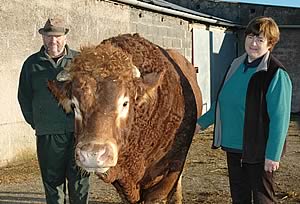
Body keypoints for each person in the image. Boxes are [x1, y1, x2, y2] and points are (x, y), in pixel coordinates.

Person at [195, 16, 292, 203]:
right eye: (250, 37)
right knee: (239, 198)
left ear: (270, 44)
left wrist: (272, 155)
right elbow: (222, 102)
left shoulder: (275, 73)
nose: (253, 43)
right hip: (233, 147)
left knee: (262, 199)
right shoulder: (236, 65)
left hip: (259, 150)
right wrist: (200, 123)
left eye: (260, 39)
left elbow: (280, 118)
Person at [17, 15, 90, 204]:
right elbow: (24, 97)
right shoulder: (31, 64)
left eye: (57, 36)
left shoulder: (80, 62)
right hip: (48, 134)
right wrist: (39, 122)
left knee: (79, 183)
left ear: (65, 36)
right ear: (42, 37)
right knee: (52, 183)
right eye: (48, 36)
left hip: (78, 134)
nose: (53, 40)